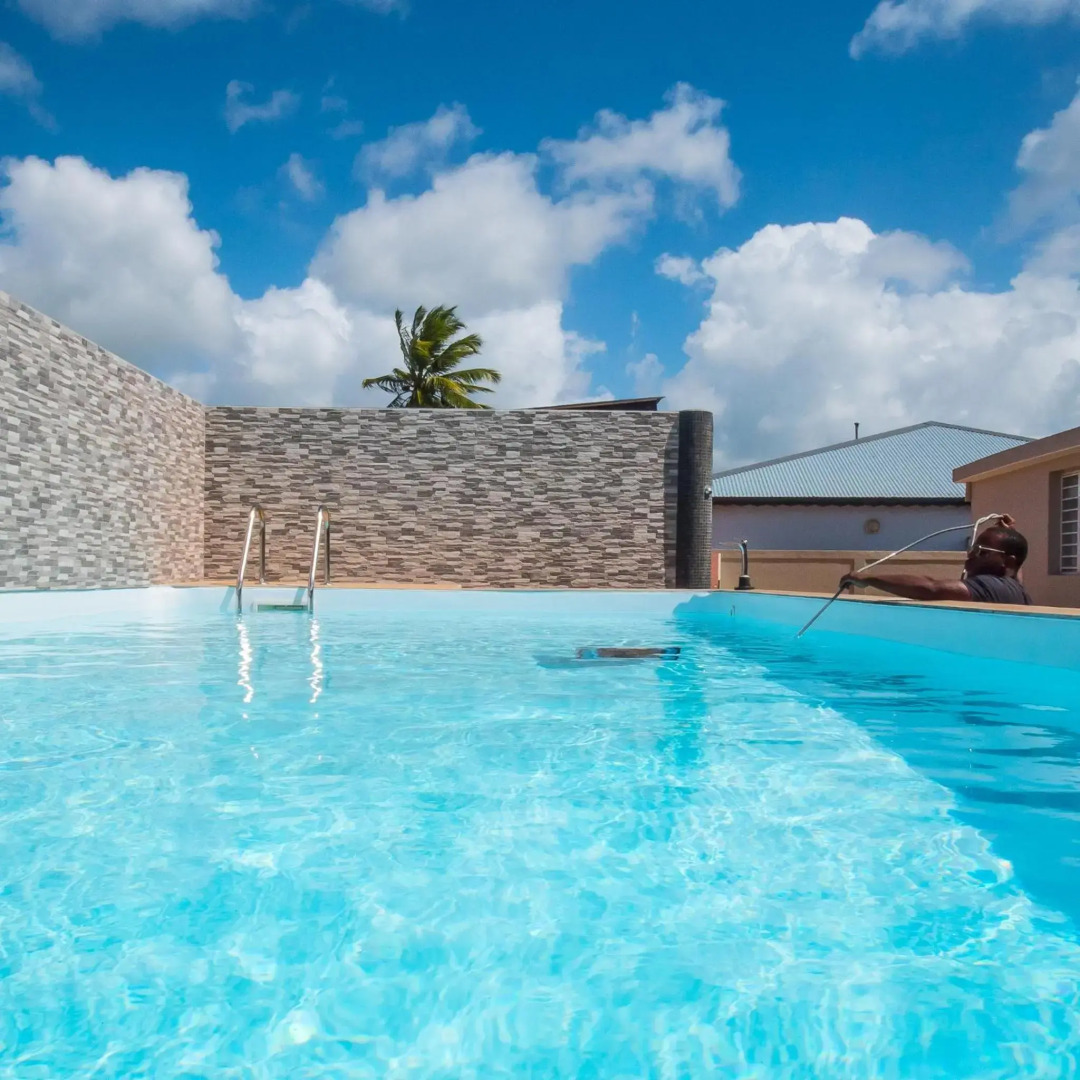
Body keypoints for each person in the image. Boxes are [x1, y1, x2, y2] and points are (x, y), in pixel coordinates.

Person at [839, 519, 1033, 605]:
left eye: (981, 551)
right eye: (972, 548)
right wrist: (1011, 533)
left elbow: (932, 588)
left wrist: (867, 579)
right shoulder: (1016, 588)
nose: (971, 554)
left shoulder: (991, 587)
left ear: (1006, 562)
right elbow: (1016, 568)